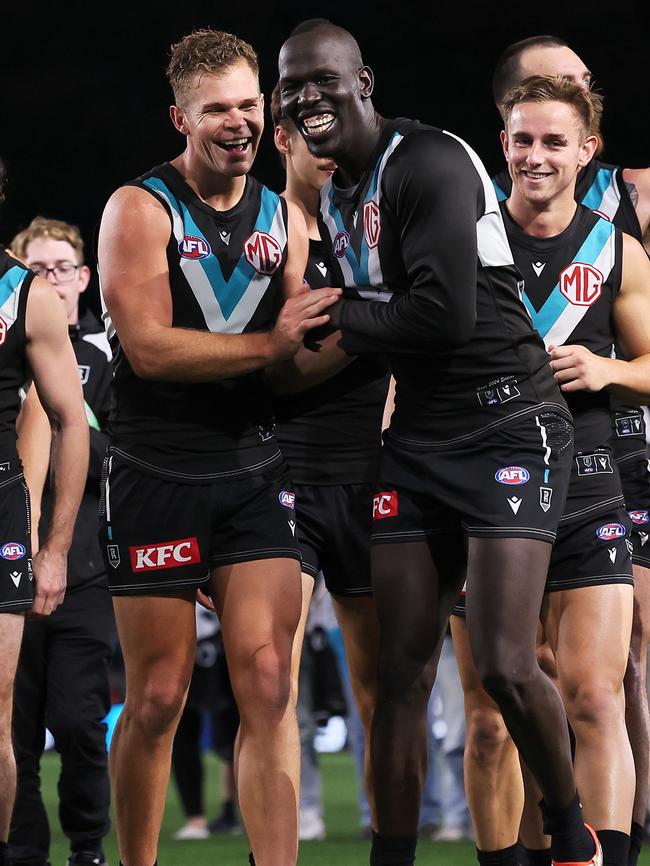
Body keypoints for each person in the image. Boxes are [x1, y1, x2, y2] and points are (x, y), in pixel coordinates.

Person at [278, 19, 598, 866]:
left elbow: (440, 317)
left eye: (323, 79)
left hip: (507, 422)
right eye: (292, 86)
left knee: (500, 662)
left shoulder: (428, 161)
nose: (307, 96)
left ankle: (571, 832)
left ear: (365, 81)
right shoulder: (336, 191)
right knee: (398, 677)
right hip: (417, 439)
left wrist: (339, 311)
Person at [97, 28, 340, 866]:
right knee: (159, 695)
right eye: (216, 111)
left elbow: (295, 361)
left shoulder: (288, 216)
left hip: (252, 469)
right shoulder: (139, 208)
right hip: (155, 468)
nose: (238, 123)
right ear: (180, 117)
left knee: (270, 680)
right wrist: (272, 348)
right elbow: (149, 348)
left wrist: (378, 327)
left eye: (249, 105)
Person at [453, 74, 650, 866]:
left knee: (597, 697)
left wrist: (608, 371)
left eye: (555, 142)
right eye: (522, 139)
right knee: (490, 717)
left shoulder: (615, 248)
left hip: (588, 486)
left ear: (587, 151)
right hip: (480, 497)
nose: (536, 156)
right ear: (502, 143)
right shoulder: (460, 240)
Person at [269, 80, 389, 839]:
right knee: (269, 684)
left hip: (375, 475)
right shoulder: (261, 230)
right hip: (281, 477)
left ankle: (391, 843)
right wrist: (377, 318)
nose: (325, 142)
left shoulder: (375, 227)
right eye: (307, 129)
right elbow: (270, 361)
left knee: (380, 688)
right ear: (282, 139)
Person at [8, 217, 115, 866]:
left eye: (61, 269)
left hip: (84, 571)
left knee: (80, 723)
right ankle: (22, 853)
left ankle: (86, 849)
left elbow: (125, 457)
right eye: (36, 270)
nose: (50, 281)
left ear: (84, 279)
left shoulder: (113, 357)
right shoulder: (5, 356)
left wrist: (63, 426)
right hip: (8, 566)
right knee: (11, 735)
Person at [0, 164, 88, 866]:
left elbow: (62, 419)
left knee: (2, 720)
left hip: (3, 513)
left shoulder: (23, 293)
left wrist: (47, 545)